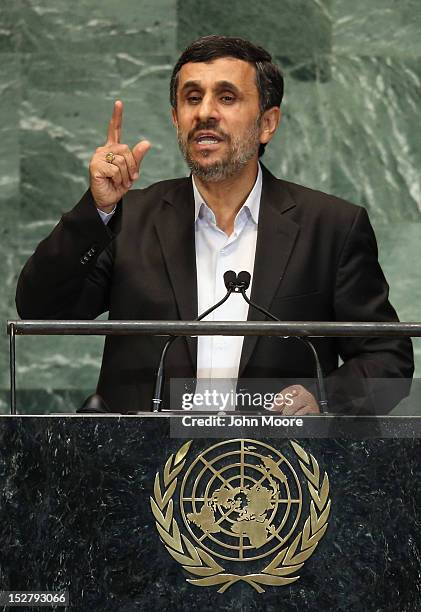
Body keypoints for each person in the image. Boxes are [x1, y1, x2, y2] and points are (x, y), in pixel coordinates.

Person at [16, 36, 413, 414]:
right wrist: (97, 210)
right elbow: (40, 308)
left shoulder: (330, 227)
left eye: (226, 97)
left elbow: (387, 356)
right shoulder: (130, 218)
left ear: (267, 123)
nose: (205, 112)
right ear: (176, 118)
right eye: (192, 98)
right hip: (142, 474)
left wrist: (323, 398)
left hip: (277, 476)